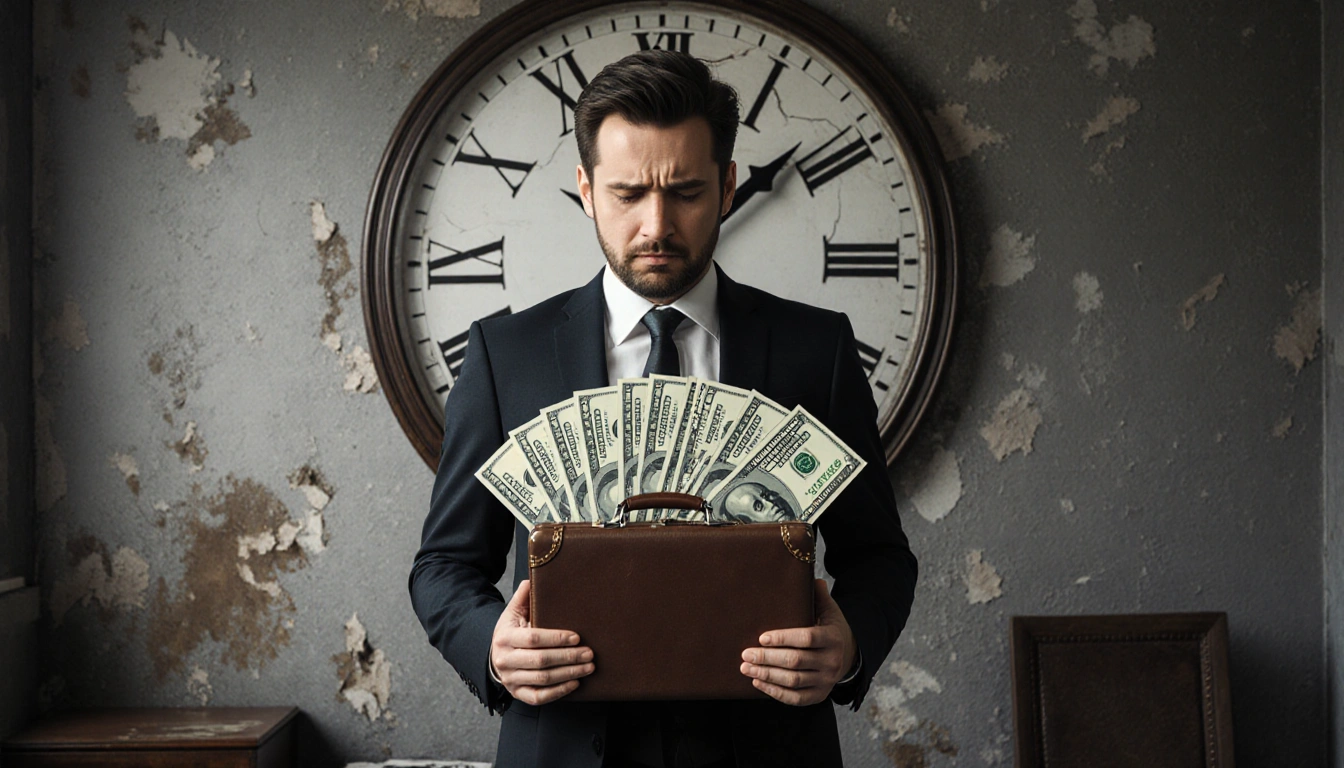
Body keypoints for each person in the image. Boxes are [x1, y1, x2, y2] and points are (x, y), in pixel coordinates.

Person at [409, 50, 917, 768]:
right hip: (562, 746)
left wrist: (849, 644)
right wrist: (492, 646)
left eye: (685, 192)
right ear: (586, 190)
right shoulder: (505, 356)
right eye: (627, 194)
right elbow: (443, 564)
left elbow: (880, 557)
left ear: (729, 187)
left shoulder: (817, 349)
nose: (657, 225)